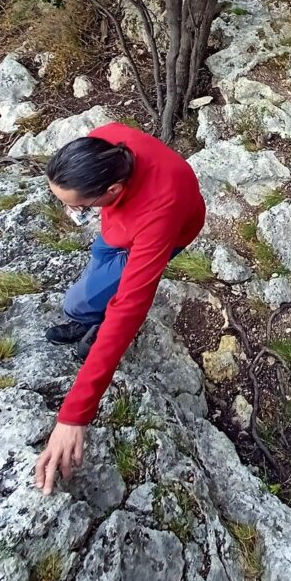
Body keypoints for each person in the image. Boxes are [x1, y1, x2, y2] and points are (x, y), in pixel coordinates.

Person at [34, 122, 206, 495]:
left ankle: (93, 325)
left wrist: (74, 414)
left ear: (112, 191)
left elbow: (131, 306)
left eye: (79, 206)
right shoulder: (106, 138)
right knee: (88, 291)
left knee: (81, 303)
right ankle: (91, 321)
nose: (75, 213)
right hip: (122, 228)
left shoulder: (160, 210)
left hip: (156, 232)